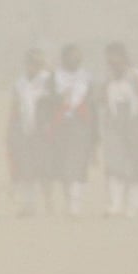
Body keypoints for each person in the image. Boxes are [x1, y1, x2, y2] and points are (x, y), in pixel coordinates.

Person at [100, 42, 138, 217]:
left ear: (122, 56)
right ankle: (115, 204)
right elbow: (102, 99)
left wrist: (135, 82)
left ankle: (133, 206)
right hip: (114, 122)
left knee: (136, 163)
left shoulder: (135, 74)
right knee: (114, 162)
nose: (110, 60)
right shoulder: (108, 77)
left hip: (133, 122)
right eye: (108, 57)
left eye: (113, 56)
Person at [6, 48, 56, 216]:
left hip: (42, 131)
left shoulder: (47, 81)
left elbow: (55, 101)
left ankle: (49, 203)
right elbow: (15, 106)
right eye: (31, 63)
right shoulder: (19, 83)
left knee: (44, 169)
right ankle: (29, 205)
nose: (33, 67)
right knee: (26, 168)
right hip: (24, 130)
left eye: (37, 64)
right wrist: (11, 129)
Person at [53, 43, 97, 216]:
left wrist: (94, 131)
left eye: (77, 56)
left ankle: (75, 205)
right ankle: (68, 201)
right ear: (64, 58)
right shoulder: (54, 77)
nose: (75, 59)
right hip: (61, 124)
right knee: (64, 164)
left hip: (81, 125)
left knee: (79, 164)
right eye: (71, 56)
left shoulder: (87, 77)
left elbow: (91, 105)